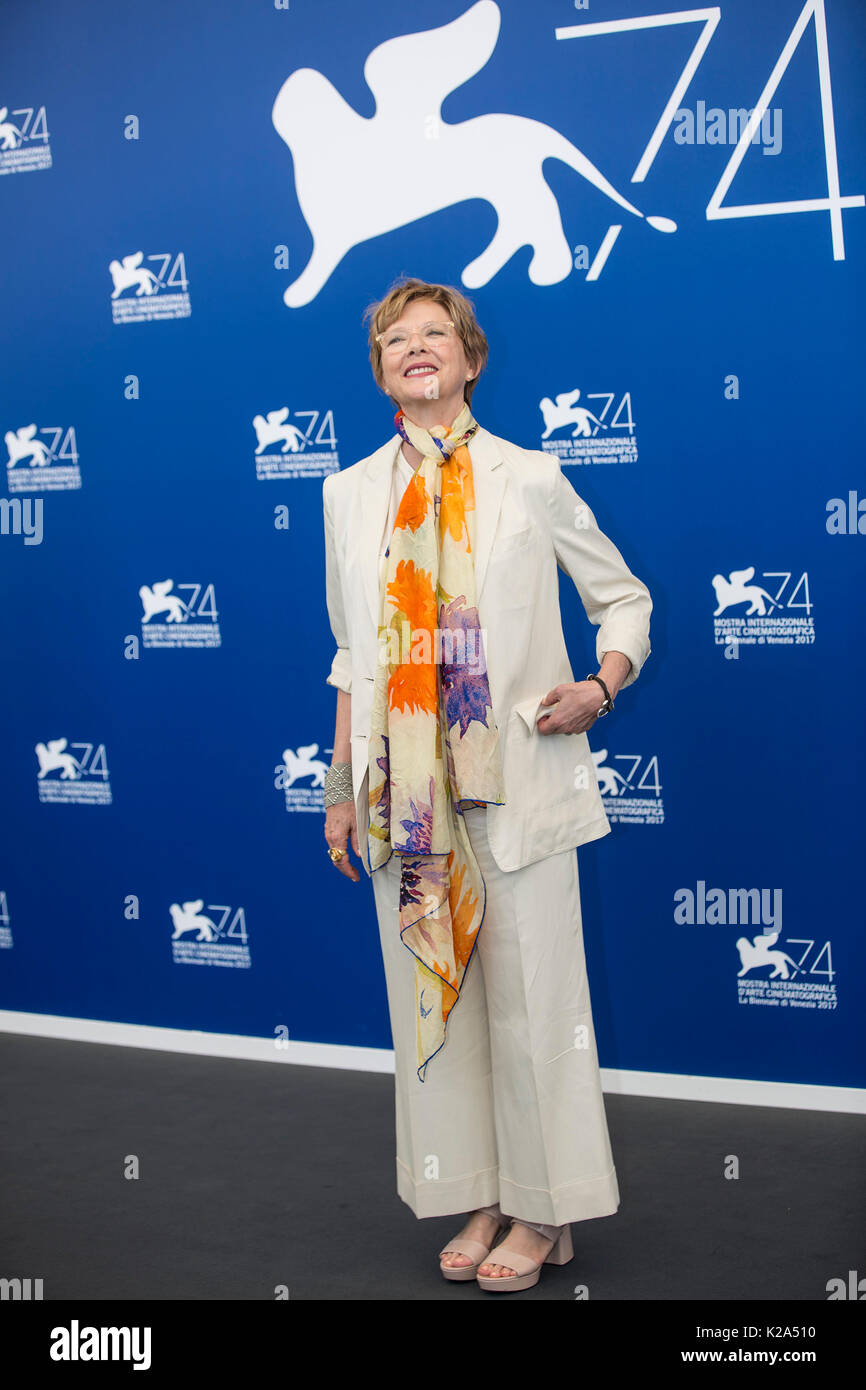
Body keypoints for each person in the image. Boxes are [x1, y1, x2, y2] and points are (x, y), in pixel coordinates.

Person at [321, 276, 651, 1292]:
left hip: (513, 785)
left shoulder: (530, 476)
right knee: (441, 1009)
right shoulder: (346, 493)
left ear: (468, 360)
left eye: (434, 335)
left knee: (533, 1009)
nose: (414, 349)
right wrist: (341, 789)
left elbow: (622, 597)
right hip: (408, 800)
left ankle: (545, 1216)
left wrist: (601, 684)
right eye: (394, 341)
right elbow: (350, 656)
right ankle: (477, 1191)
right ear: (381, 370)